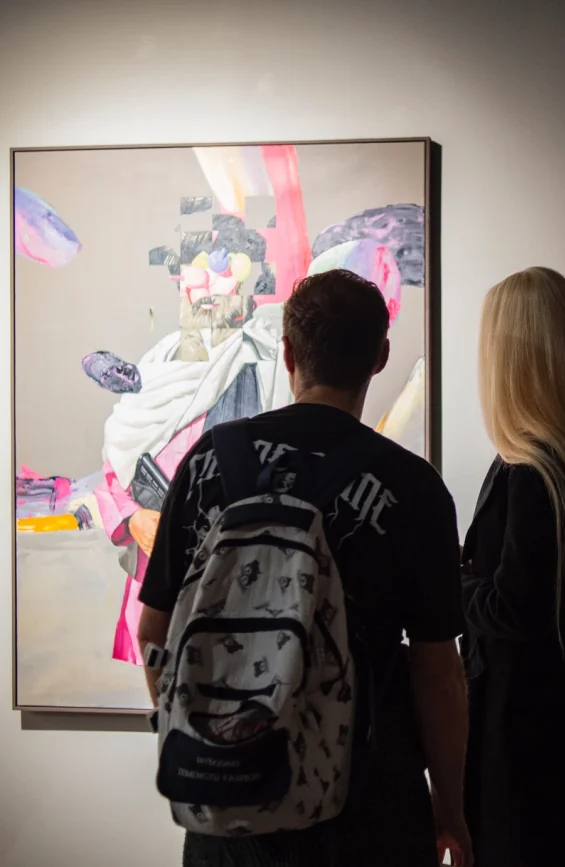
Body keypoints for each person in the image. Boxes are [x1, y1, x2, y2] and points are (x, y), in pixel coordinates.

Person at [136, 270, 472, 867]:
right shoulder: (414, 487)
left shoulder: (210, 459)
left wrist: (204, 742)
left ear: (288, 352)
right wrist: (450, 807)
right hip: (367, 804)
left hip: (232, 808)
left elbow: (154, 633)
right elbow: (438, 676)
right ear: (380, 357)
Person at [462, 267, 565, 867]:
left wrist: (447, 579)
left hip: (521, 727)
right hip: (560, 715)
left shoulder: (533, 471)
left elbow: (512, 607)